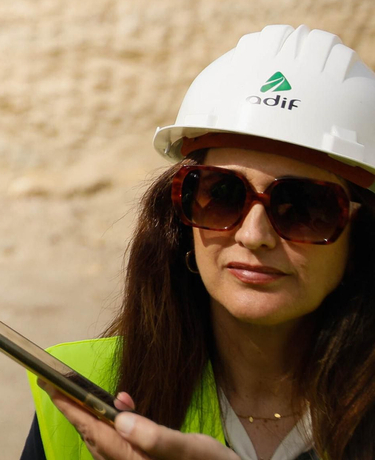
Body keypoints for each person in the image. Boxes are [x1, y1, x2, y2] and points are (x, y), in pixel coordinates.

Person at [26, 24, 375, 460]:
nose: (253, 235)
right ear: (181, 214)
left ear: (360, 235)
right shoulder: (84, 392)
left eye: (302, 207)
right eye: (222, 196)